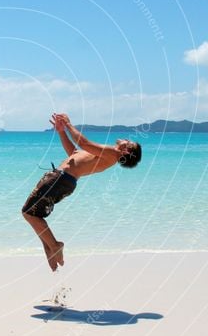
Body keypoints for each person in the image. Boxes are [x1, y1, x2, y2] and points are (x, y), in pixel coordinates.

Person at [22, 113, 142, 271]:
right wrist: (61, 131)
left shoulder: (113, 153)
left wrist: (68, 124)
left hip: (60, 179)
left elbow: (83, 143)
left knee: (29, 213)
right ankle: (51, 250)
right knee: (34, 215)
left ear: (126, 152)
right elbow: (75, 153)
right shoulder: (107, 154)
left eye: (129, 142)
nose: (126, 139)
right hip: (63, 180)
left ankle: (55, 246)